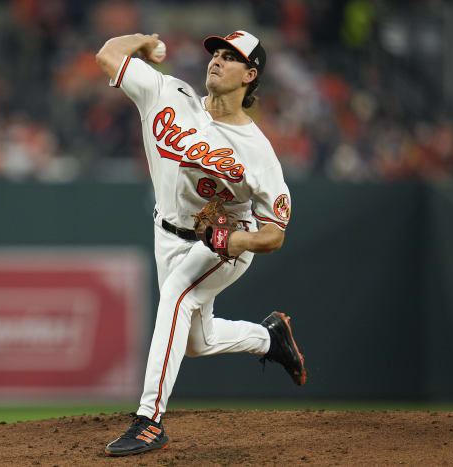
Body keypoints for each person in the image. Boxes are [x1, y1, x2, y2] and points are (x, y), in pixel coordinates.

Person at [95, 30, 308, 457]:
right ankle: (269, 338)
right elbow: (106, 55)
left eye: (231, 58)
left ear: (251, 75)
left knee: (175, 295)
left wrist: (235, 240)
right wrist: (143, 42)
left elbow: (274, 235)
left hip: (221, 242)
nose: (217, 61)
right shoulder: (168, 92)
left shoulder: (258, 152)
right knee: (195, 341)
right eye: (217, 53)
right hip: (166, 232)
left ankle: (149, 421)